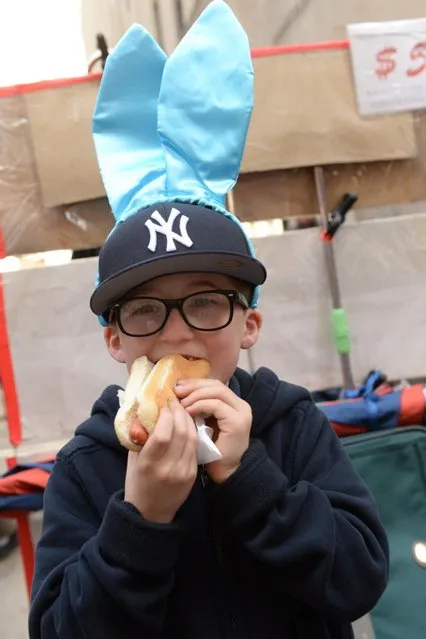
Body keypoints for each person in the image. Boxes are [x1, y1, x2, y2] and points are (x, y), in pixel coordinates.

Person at [29, 2, 388, 638]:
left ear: (248, 324)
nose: (176, 332)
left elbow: (357, 580)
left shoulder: (292, 424)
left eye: (206, 301)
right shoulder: (89, 464)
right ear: (113, 338)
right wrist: (140, 517)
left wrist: (247, 476)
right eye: (144, 309)